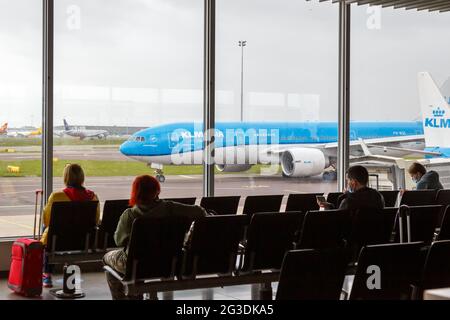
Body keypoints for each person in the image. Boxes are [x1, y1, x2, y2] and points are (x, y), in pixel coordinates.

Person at [103, 175, 207, 300]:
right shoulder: (170, 208)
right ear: (156, 191)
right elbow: (200, 212)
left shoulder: (130, 215)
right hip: (167, 261)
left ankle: (123, 297)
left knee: (107, 258)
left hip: (137, 264)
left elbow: (119, 241)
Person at [41, 163, 100, 288]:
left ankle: (47, 273)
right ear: (82, 178)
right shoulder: (93, 197)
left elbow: (47, 221)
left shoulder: (57, 197)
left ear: (66, 178)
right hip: (83, 242)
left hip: (59, 241)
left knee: (46, 230)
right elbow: (95, 221)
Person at [319, 165, 385, 213]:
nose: (347, 183)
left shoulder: (348, 202)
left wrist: (328, 207)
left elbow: (337, 221)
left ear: (353, 182)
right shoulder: (378, 197)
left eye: (347, 180)